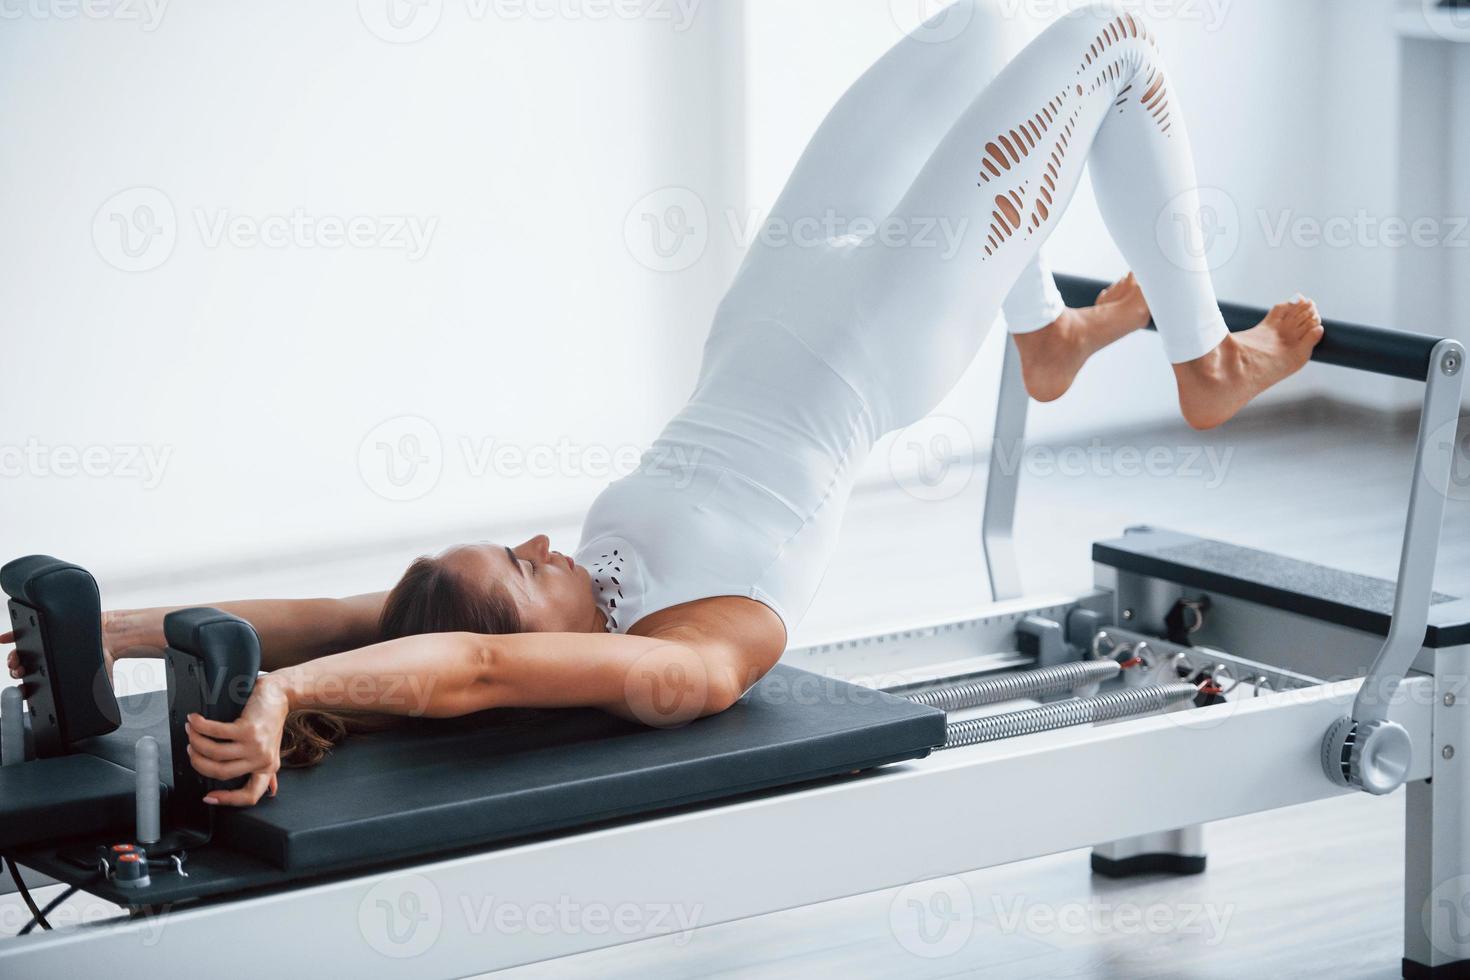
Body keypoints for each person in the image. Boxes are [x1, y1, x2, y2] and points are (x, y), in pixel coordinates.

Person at [5, 1, 1323, 806]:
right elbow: (461, 670)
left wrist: (115, 629)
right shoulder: (692, 657)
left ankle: (1043, 339)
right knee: (1113, 42)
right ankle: (1205, 365)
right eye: (522, 572)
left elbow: (350, 622)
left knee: (976, 27)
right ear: (530, 653)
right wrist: (285, 710)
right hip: (874, 345)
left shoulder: (562, 588)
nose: (536, 542)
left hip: (774, 298)